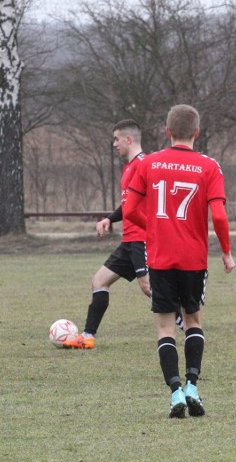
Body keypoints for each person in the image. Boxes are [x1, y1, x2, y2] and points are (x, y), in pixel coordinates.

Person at [123, 104, 235, 418]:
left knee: (164, 328)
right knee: (193, 321)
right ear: (197, 132)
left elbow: (130, 212)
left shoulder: (150, 163)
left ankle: (174, 394)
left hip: (160, 258)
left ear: (167, 131)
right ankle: (192, 386)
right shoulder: (209, 166)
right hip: (194, 260)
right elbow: (220, 216)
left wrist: (156, 228)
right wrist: (226, 251)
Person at [62, 119, 153, 350]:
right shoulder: (130, 167)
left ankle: (189, 326)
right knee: (100, 281)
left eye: (116, 139)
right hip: (129, 240)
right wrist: (109, 219)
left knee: (149, 288)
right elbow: (129, 205)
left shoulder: (145, 164)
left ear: (128, 139)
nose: (114, 144)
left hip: (141, 239)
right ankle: (88, 336)